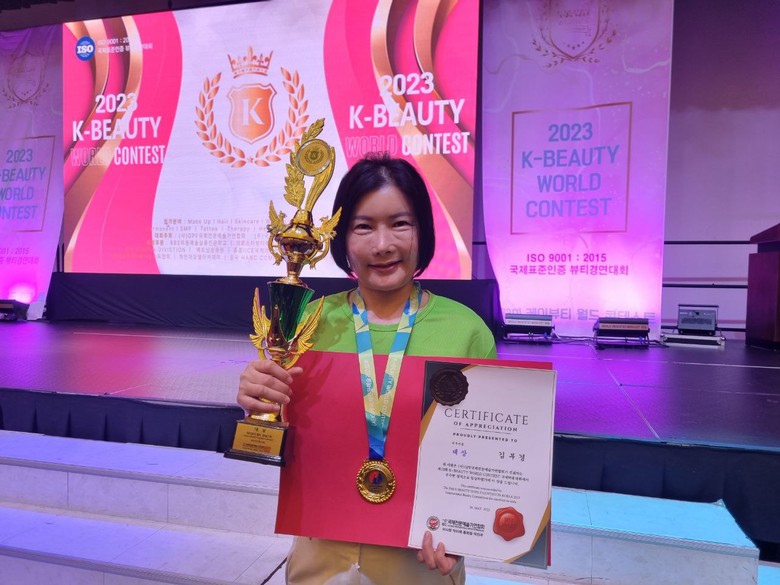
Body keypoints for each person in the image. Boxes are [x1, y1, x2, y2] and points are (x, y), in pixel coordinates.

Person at [237, 153, 496, 585]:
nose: (382, 244)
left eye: (400, 223)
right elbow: (284, 436)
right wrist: (259, 400)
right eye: (363, 226)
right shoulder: (308, 322)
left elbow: (483, 453)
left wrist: (467, 527)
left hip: (418, 565)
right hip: (320, 562)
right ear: (340, 238)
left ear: (423, 231)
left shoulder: (465, 331)